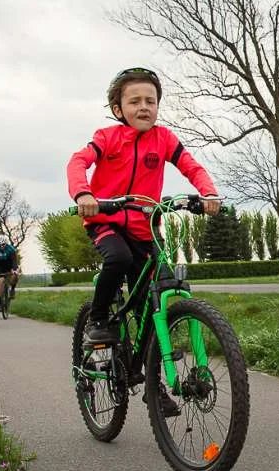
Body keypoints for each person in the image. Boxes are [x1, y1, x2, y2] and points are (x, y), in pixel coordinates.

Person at [67, 67, 221, 416]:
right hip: (106, 221)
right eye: (134, 101)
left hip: (145, 228)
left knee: (153, 303)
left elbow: (192, 166)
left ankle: (152, 385)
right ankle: (100, 318)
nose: (144, 107)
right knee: (118, 260)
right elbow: (79, 161)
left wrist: (207, 192)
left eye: (150, 101)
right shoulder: (107, 137)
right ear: (118, 109)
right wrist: (84, 193)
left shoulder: (164, 139)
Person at [0, 234, 20, 309]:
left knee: (15, 276)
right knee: (0, 282)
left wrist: (15, 270)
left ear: (6, 243)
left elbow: (14, 261)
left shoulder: (11, 249)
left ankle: (12, 289)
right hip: (0, 267)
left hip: (10, 266)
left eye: (3, 245)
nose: (1, 246)